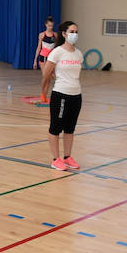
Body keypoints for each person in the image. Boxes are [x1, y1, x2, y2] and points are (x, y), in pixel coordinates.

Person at [40, 20, 84, 170]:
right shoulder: (57, 52)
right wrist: (43, 93)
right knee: (55, 128)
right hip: (61, 95)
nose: (74, 34)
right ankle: (55, 159)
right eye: (72, 32)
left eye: (76, 32)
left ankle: (67, 157)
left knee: (70, 129)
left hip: (76, 95)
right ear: (64, 34)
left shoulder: (78, 54)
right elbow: (46, 74)